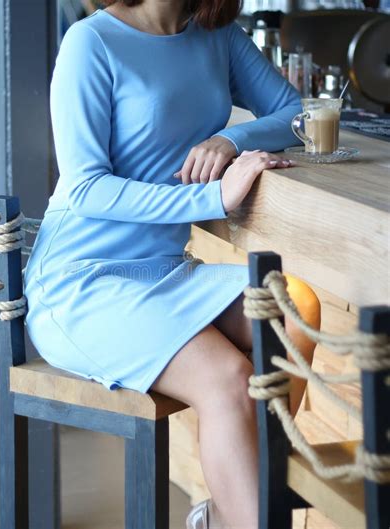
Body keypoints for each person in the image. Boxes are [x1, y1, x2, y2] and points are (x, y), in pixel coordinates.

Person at [23, 1, 310, 527]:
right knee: (228, 378)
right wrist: (213, 199)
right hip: (81, 281)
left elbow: (296, 114)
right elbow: (86, 187)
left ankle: (229, 513)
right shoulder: (91, 43)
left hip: (166, 269)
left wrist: (230, 139)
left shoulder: (216, 36)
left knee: (296, 312)